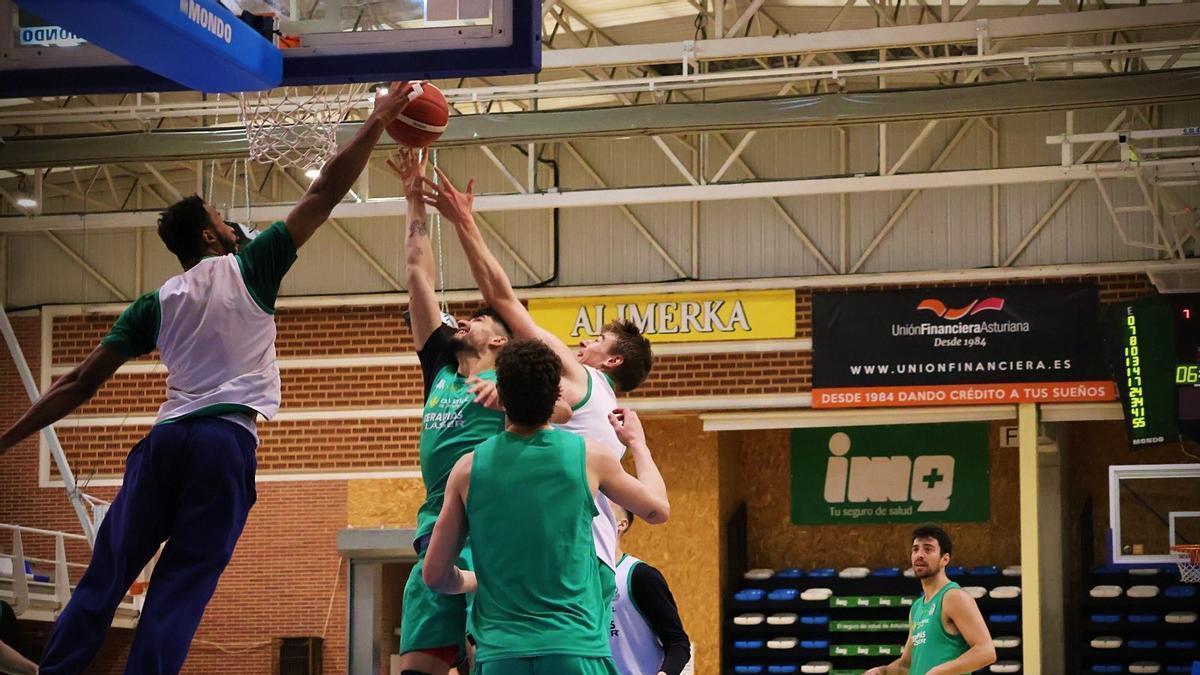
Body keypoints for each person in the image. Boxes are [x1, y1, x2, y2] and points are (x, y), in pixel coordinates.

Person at [0, 82, 419, 675]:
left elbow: (75, 387)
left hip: (164, 442)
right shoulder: (253, 265)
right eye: (222, 220)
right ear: (207, 236)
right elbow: (325, 192)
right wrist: (376, 120)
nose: (231, 225)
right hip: (222, 445)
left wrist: (5, 440)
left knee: (105, 575)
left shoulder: (154, 303)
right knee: (179, 591)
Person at [418, 166, 654, 602]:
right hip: (579, 556)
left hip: (569, 560)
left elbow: (502, 296)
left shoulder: (583, 379)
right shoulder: (603, 419)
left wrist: (464, 221)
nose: (584, 340)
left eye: (598, 339)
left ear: (613, 360)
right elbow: (655, 508)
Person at [421, 339, 670, 675]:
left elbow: (435, 576)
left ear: (501, 395)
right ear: (557, 396)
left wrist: (471, 580)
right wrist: (638, 444)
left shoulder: (467, 469)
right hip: (574, 650)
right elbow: (657, 510)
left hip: (501, 655)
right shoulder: (589, 456)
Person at [388, 149, 513, 675]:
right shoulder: (439, 364)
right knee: (418, 665)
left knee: (488, 660)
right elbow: (419, 274)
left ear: (502, 339)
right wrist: (414, 195)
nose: (463, 319)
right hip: (435, 524)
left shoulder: (515, 378)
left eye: (479, 319)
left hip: (492, 526)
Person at [864, 525, 996, 675]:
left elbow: (986, 651)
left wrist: (938, 671)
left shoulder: (954, 597)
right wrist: (883, 671)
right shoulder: (917, 607)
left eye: (928, 549)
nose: (920, 555)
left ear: (944, 559)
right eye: (915, 549)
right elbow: (907, 665)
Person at [607, 501, 691, 675]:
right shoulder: (580, 579)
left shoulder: (640, 575)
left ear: (621, 524)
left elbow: (678, 642)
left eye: (603, 510)